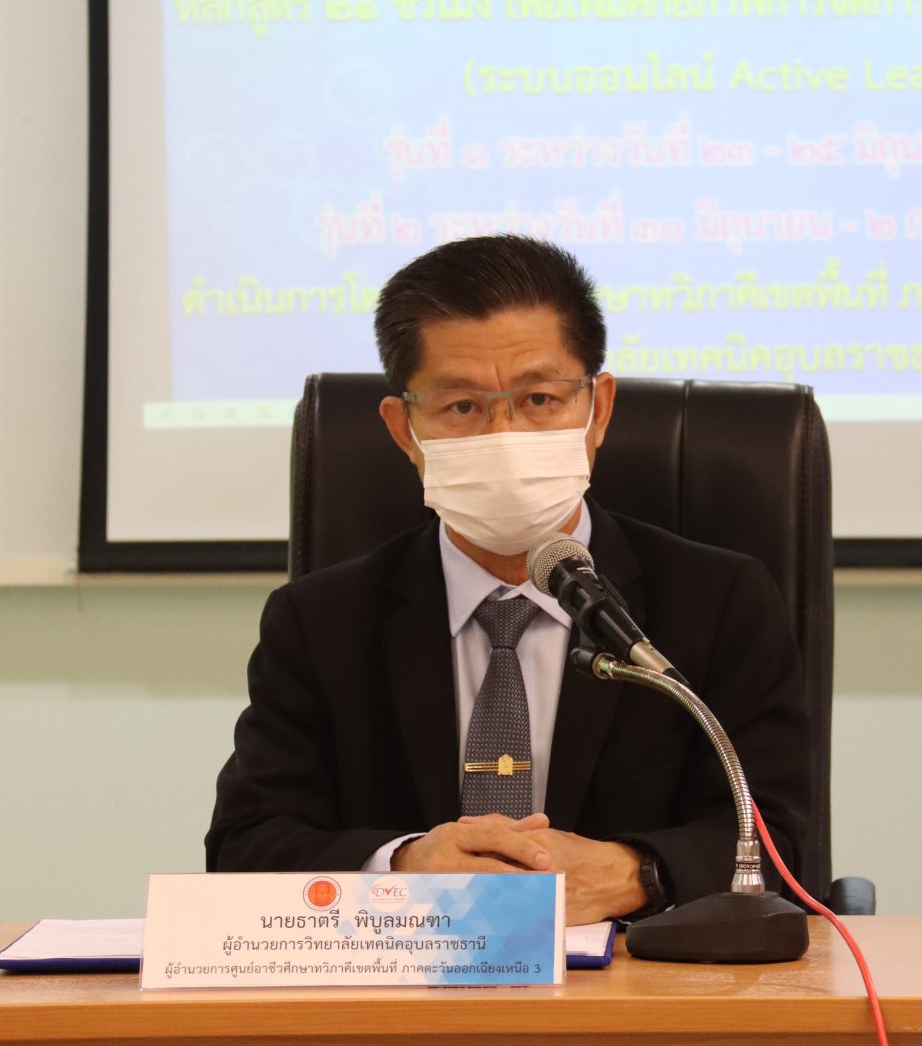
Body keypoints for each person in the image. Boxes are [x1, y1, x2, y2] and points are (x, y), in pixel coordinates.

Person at [205, 235, 812, 924]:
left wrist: (637, 872)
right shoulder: (320, 622)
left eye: (539, 398)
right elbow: (244, 848)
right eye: (463, 407)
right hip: (408, 981)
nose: (505, 434)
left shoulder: (720, 602)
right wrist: (401, 867)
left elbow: (779, 841)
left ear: (598, 410)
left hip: (637, 979)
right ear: (404, 430)